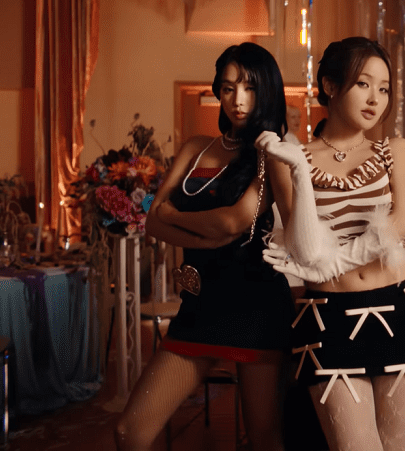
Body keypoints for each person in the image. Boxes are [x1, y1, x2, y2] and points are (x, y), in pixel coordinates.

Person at [257, 36, 405, 450]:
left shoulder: (395, 149)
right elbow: (302, 246)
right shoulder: (289, 158)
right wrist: (300, 172)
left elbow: (403, 223)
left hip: (401, 309)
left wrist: (333, 261)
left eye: (384, 88)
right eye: (363, 84)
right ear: (329, 85)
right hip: (329, 319)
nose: (376, 98)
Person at [115, 42, 294, 451]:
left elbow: (234, 221)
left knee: (264, 438)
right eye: (228, 88)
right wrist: (206, 235)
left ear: (267, 89)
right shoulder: (196, 147)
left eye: (249, 87)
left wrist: (175, 217)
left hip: (256, 305)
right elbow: (154, 221)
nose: (238, 99)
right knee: (130, 431)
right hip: (199, 306)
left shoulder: (271, 153)